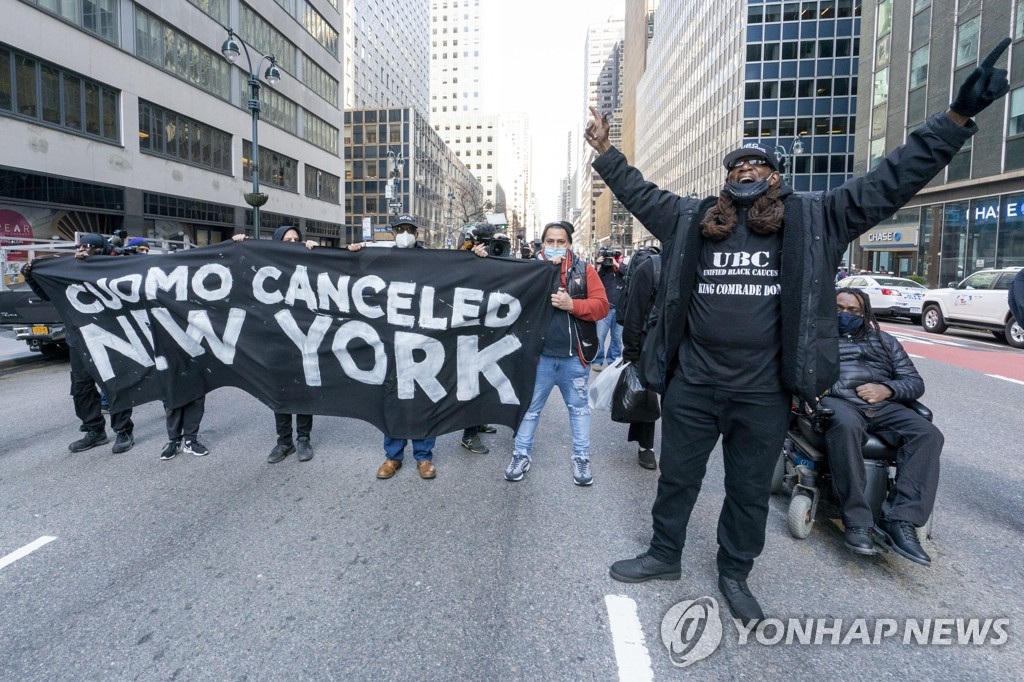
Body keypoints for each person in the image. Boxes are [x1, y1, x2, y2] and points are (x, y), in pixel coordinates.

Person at [584, 37, 1010, 623]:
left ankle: (735, 573)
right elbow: (637, 193)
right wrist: (607, 152)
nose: (746, 170)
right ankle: (664, 553)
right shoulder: (692, 219)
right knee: (678, 479)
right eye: (736, 165)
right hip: (694, 386)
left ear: (776, 178)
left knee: (748, 491)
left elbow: (889, 182)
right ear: (725, 178)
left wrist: (955, 120)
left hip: (762, 393)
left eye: (758, 164)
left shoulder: (814, 219)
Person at [821, 288, 942, 565]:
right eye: (839, 308)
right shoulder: (817, 339)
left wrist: (887, 388)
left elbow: (914, 382)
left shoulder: (885, 342)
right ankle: (857, 520)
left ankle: (901, 520)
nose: (845, 315)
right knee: (846, 426)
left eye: (853, 311)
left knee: (927, 434)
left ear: (865, 314)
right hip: (839, 402)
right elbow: (802, 374)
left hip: (883, 404)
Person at [489, 220, 609, 486]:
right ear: (542, 243)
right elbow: (491, 283)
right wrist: (480, 254)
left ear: (569, 244)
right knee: (530, 409)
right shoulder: (527, 269)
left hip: (574, 359)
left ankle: (581, 458)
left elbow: (601, 306)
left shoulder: (584, 270)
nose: (555, 246)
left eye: (561, 242)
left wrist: (572, 304)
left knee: (578, 410)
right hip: (538, 359)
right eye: (550, 241)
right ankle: (520, 454)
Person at [23, 234, 136, 454]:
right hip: (78, 338)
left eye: (87, 247)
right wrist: (30, 276)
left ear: (100, 249)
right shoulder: (69, 270)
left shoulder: (112, 268)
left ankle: (124, 431)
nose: (81, 250)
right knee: (81, 388)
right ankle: (95, 431)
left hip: (108, 337)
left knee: (113, 385)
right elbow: (47, 294)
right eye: (79, 246)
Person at [349, 215, 439, 479]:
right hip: (390, 339)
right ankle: (393, 456)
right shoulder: (382, 258)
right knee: (392, 397)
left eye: (410, 229)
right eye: (400, 229)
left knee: (422, 398)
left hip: (423, 337)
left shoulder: (433, 260)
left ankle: (424, 457)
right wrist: (353, 254)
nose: (405, 233)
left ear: (417, 233)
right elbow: (355, 276)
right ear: (392, 232)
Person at [233, 226, 319, 463]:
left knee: (303, 390)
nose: (292, 242)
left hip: (302, 337)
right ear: (276, 242)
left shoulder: (306, 262)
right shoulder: (264, 264)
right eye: (287, 239)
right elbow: (239, 269)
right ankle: (284, 442)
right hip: (274, 338)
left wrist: (315, 252)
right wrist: (239, 244)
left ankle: (303, 439)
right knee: (279, 391)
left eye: (296, 239)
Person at [620, 248, 661, 470]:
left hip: (684, 345)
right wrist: (631, 353)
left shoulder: (698, 264)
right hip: (649, 344)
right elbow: (633, 315)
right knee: (647, 396)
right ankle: (646, 446)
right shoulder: (651, 267)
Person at [593, 247, 624, 371]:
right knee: (600, 336)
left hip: (620, 308)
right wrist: (598, 265)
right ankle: (597, 360)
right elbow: (592, 281)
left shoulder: (623, 267)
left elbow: (629, 275)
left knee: (617, 337)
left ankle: (614, 360)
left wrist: (617, 265)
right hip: (605, 308)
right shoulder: (602, 269)